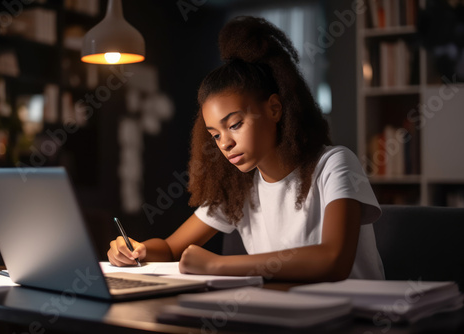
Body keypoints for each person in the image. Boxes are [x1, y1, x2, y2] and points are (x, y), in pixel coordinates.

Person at [108, 16, 385, 282]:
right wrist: (138, 250)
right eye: (215, 135)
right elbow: (170, 249)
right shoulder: (239, 186)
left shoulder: (334, 164)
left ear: (274, 108)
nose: (225, 143)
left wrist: (217, 265)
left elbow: (333, 260)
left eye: (235, 124)